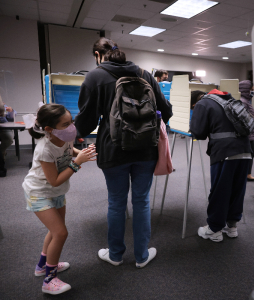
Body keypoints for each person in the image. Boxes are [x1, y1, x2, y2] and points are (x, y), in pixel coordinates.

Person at [75, 38, 172, 268]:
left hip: (113, 149)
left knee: (116, 202)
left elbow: (86, 122)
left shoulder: (95, 76)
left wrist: (70, 135)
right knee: (141, 201)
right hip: (146, 149)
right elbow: (165, 110)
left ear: (99, 55)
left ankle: (116, 255)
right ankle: (142, 256)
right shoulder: (144, 74)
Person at [22, 104, 97, 295]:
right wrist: (77, 164)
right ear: (49, 129)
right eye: (66, 124)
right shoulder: (44, 149)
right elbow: (54, 180)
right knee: (61, 233)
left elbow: (69, 150)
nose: (72, 126)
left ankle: (42, 266)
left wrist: (82, 154)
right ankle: (49, 280)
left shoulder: (65, 137)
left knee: (55, 231)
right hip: (38, 192)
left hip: (57, 192)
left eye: (71, 121)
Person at [190, 89, 252, 242]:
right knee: (238, 189)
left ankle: (214, 229)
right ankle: (232, 227)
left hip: (224, 152)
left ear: (194, 102)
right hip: (245, 151)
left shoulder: (203, 104)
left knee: (220, 190)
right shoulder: (229, 100)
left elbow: (198, 133)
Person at [239, 80, 254, 182]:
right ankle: (246, 174)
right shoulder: (243, 101)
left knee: (250, 153)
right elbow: (244, 119)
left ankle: (247, 174)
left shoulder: (245, 101)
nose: (252, 92)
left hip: (249, 133)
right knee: (249, 154)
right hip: (247, 133)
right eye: (251, 90)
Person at [0, 95, 16, 166]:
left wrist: (11, 111)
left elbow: (12, 117)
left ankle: (1, 151)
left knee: (9, 139)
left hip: (4, 128)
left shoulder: (2, 105)